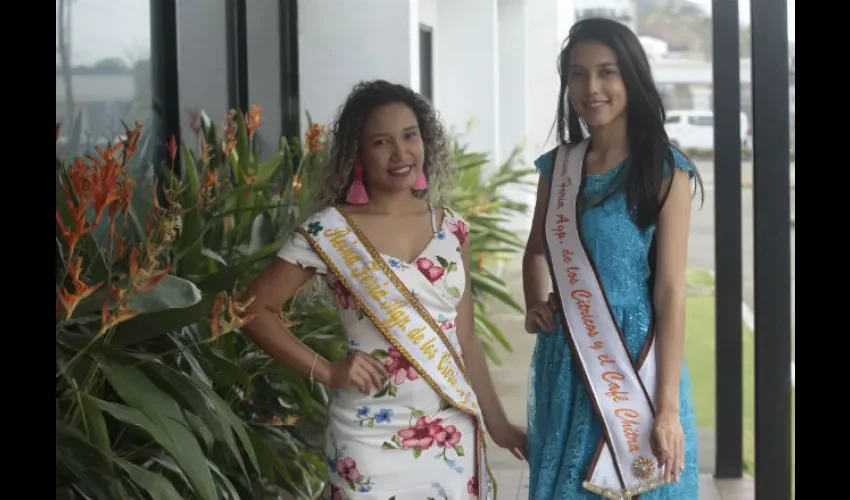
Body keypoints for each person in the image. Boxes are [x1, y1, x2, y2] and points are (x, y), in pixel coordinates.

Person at [241, 80, 526, 500]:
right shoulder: (329, 230)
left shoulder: (451, 227)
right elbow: (251, 309)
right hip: (367, 435)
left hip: (450, 432)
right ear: (357, 153)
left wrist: (498, 424)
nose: (400, 153)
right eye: (381, 142)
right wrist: (327, 370)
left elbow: (464, 338)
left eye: (410, 136)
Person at [521, 18, 704, 499]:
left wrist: (665, 407)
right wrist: (532, 300)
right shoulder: (557, 168)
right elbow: (537, 248)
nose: (591, 87)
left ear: (632, 78)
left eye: (607, 72)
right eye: (578, 75)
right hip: (569, 353)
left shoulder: (665, 170)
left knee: (644, 483)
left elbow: (670, 290)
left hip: (637, 361)